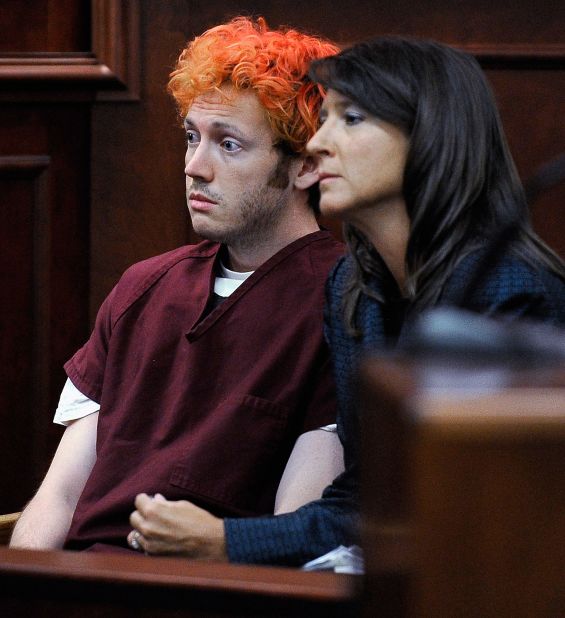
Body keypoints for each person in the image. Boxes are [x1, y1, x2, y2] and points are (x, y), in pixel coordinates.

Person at [134, 36, 565, 567]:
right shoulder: (353, 288)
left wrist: (225, 541)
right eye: (326, 118)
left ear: (430, 136)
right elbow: (363, 498)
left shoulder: (511, 295)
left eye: (352, 119)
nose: (317, 143)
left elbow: (460, 511)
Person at [10, 17, 345, 559]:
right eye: (192, 137)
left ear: (306, 164)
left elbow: (294, 539)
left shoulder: (344, 302)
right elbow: (61, 497)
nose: (195, 167)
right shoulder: (144, 286)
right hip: (78, 583)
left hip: (209, 594)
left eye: (229, 144)